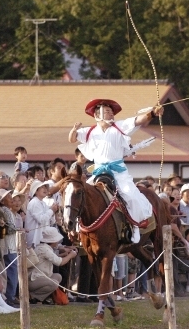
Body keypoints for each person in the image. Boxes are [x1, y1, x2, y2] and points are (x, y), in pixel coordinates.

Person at [68, 98, 163, 243]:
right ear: (97, 114)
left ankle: (135, 226)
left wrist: (153, 113)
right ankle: (77, 229)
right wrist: (74, 130)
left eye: (111, 112)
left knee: (131, 195)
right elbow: (72, 139)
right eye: (107, 111)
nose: (111, 114)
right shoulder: (89, 131)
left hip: (118, 171)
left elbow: (138, 120)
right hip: (98, 171)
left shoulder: (120, 126)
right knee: (80, 194)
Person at [28, 227, 78, 304]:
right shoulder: (44, 249)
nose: (58, 242)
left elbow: (53, 257)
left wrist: (64, 254)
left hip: (41, 276)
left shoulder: (46, 248)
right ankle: (33, 296)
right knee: (54, 283)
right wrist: (70, 256)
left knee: (58, 276)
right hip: (34, 279)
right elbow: (59, 262)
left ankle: (43, 297)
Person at [25, 180, 58, 248]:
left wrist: (53, 211)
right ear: (36, 191)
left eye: (46, 187)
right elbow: (41, 220)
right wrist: (51, 210)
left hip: (41, 238)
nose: (45, 189)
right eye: (42, 187)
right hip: (34, 239)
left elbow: (51, 221)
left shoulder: (43, 203)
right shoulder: (34, 202)